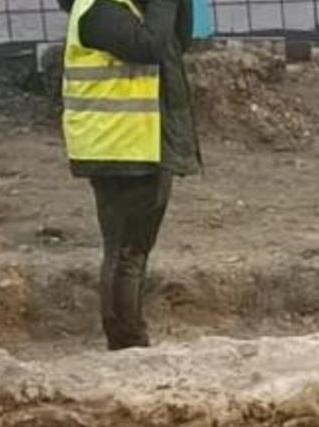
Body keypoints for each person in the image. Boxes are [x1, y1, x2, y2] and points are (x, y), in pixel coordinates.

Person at [59, 0, 200, 350]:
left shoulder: (130, 7)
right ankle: (127, 344)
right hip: (118, 147)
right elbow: (149, 45)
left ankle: (130, 340)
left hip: (142, 143)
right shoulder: (98, 11)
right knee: (126, 252)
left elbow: (177, 39)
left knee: (134, 251)